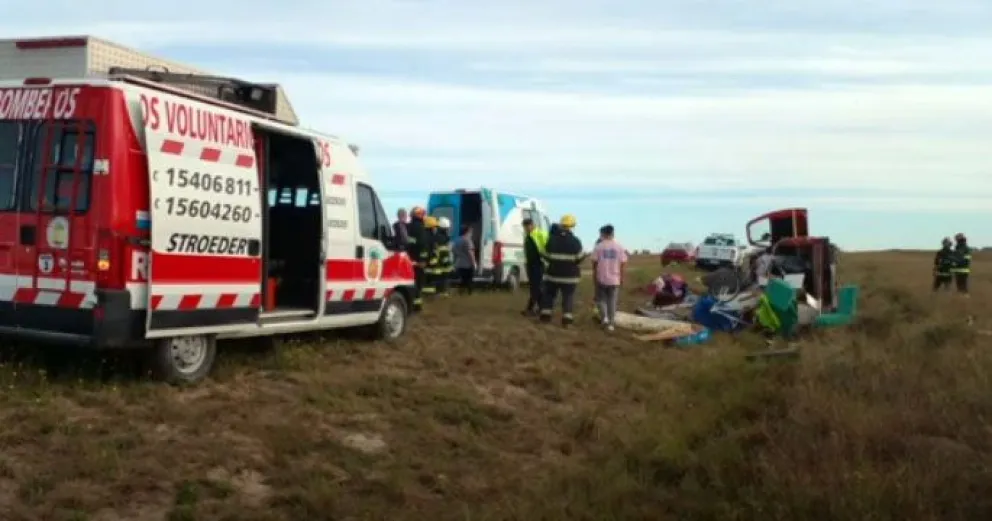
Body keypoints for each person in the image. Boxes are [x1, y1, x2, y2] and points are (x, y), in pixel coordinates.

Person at [539, 215, 585, 327]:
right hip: (570, 277)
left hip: (553, 275)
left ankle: (545, 316)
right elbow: (580, 257)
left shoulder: (552, 239)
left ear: (561, 226)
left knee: (549, 295)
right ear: (572, 227)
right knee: (568, 296)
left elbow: (544, 254)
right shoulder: (576, 241)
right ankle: (567, 320)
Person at [591, 224, 627, 331]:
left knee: (600, 300)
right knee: (612, 301)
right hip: (615, 279)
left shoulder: (599, 246)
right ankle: (611, 324)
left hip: (601, 278)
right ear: (612, 233)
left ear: (603, 234)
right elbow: (623, 264)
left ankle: (604, 318)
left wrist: (594, 276)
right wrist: (622, 277)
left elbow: (594, 263)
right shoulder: (619, 247)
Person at [521, 218, 548, 315]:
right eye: (525, 227)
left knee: (536, 287)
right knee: (534, 287)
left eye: (527, 226)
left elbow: (546, 247)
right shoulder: (527, 236)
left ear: (532, 225)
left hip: (539, 263)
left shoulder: (540, 234)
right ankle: (539, 308)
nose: (526, 228)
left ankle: (533, 308)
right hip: (530, 264)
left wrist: (545, 259)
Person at [405, 206, 430, 309]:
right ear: (420, 215)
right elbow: (423, 244)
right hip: (418, 260)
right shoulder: (420, 227)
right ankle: (417, 305)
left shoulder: (408, 226)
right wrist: (423, 260)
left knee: (411, 280)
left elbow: (409, 243)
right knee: (418, 282)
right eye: (423, 215)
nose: (425, 217)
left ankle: (410, 303)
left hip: (409, 258)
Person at [428, 217, 455, 296]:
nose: (449, 230)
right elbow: (445, 252)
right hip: (442, 264)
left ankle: (438, 293)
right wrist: (449, 264)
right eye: (448, 228)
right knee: (443, 279)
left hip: (435, 263)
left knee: (436, 280)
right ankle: (442, 293)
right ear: (445, 228)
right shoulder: (444, 238)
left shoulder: (435, 236)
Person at [453, 224, 477, 295]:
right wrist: (474, 263)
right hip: (468, 264)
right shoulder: (467, 240)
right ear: (467, 232)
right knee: (469, 280)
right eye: (471, 232)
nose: (472, 233)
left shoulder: (457, 240)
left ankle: (460, 293)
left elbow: (453, 251)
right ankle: (469, 294)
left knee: (463, 280)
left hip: (459, 264)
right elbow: (470, 252)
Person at [421, 216, 440, 296]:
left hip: (426, 263)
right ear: (431, 227)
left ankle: (427, 294)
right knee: (429, 280)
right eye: (435, 227)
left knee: (425, 280)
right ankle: (429, 295)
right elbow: (431, 251)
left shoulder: (423, 235)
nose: (436, 229)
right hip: (430, 263)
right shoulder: (432, 237)